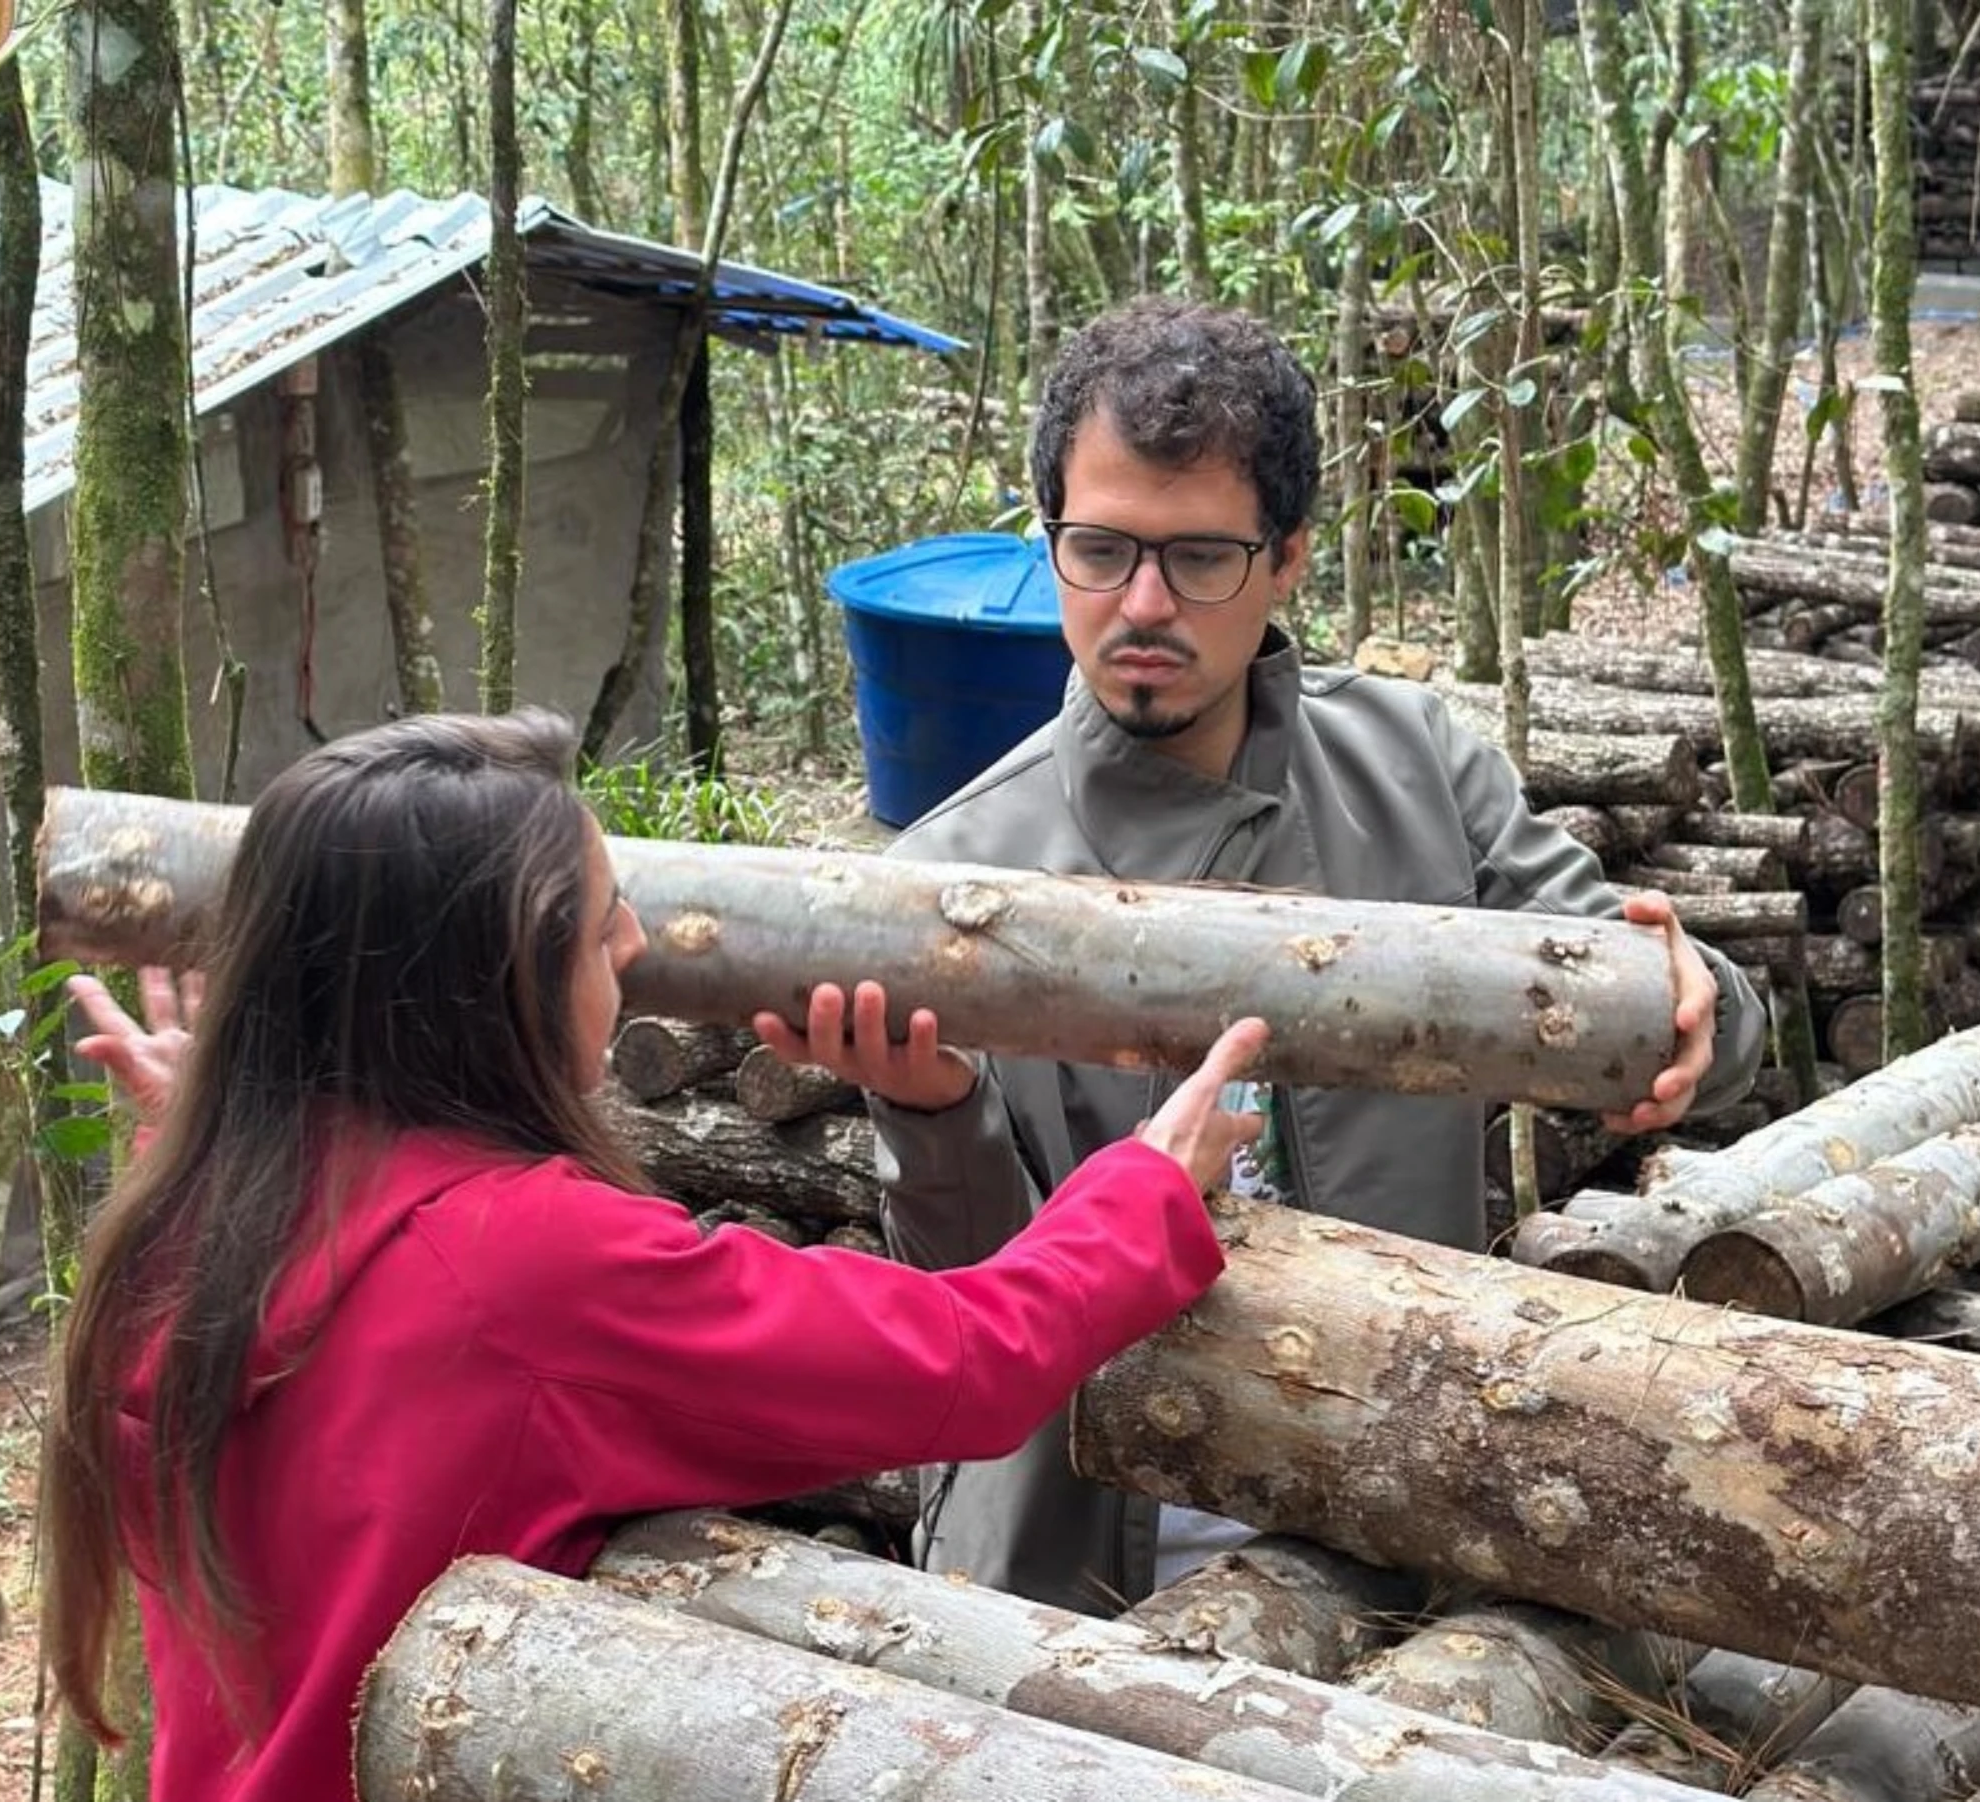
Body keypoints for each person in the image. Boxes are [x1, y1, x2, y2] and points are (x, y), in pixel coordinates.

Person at [38, 706, 1273, 1802]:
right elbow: (965, 1360)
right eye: (593, 920)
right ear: (494, 979)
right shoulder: (521, 1263)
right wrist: (1148, 1182)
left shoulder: (194, 1218)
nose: (632, 943)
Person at [753, 295, 1770, 1615]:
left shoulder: (1423, 770)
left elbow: (1688, 1011)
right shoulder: (953, 876)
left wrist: (1701, 1011)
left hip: (1397, 1509)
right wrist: (930, 1113)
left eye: (1200, 559)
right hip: (1081, 1552)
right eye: (1100, 549)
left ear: (1288, 556)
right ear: (1048, 538)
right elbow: (969, 1301)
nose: (1143, 604)